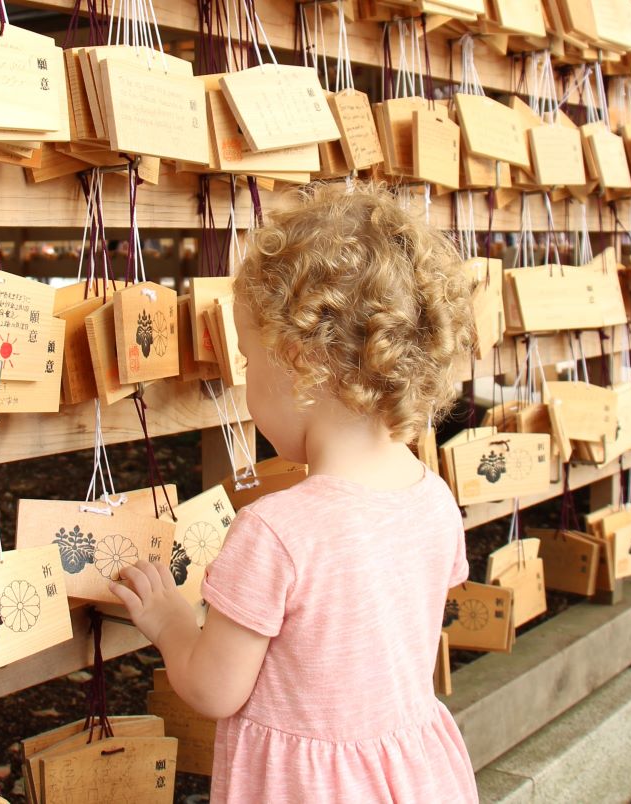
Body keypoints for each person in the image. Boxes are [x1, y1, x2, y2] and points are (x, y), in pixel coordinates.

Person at [110, 183, 478, 803]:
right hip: (414, 779)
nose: (247, 386)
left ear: (298, 363)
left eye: (251, 365)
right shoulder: (433, 499)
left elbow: (214, 689)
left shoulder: (278, 531)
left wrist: (171, 621)